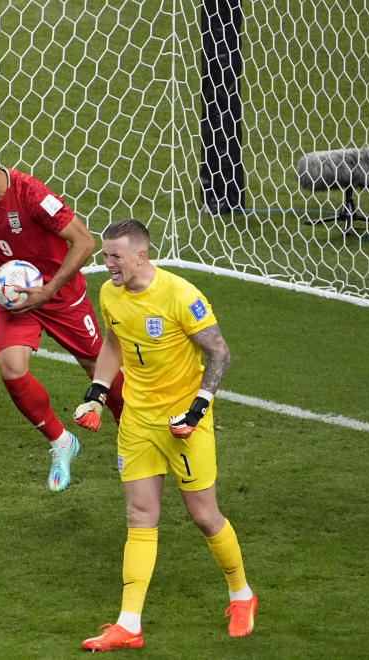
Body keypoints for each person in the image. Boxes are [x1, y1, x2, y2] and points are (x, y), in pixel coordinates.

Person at [73, 218, 256, 651]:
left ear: (141, 255)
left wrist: (197, 410)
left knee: (204, 516)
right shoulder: (109, 293)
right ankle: (129, 624)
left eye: (115, 256)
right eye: (104, 255)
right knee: (139, 515)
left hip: (183, 423)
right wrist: (96, 395)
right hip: (138, 421)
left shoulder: (180, 295)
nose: (107, 264)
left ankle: (241, 595)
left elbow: (218, 352)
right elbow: (114, 343)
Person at [0, 133, 124, 492]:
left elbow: (85, 241)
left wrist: (50, 289)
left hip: (59, 293)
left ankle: (134, 442)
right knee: (11, 368)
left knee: (97, 368)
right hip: (15, 296)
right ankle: (61, 443)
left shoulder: (32, 195)